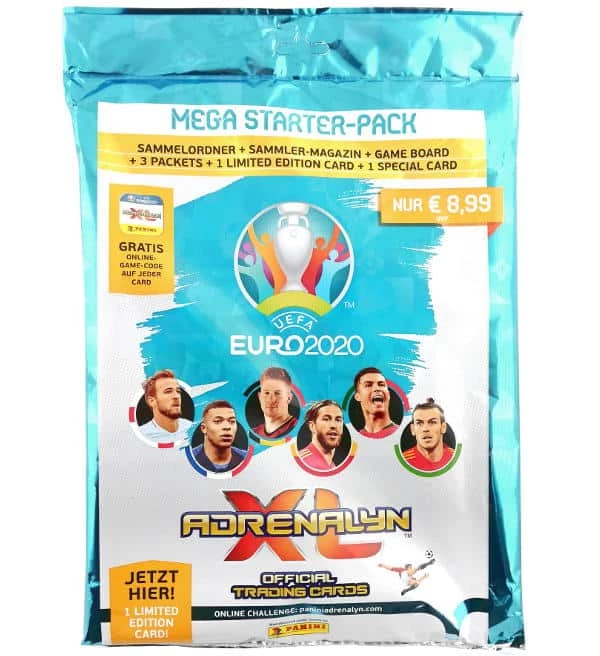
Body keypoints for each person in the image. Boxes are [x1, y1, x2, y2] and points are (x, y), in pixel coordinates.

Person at [139, 369, 193, 443]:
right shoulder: (144, 434)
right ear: (152, 401)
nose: (176, 396)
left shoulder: (190, 427)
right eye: (168, 391)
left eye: (178, 391)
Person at [192, 401, 247, 473]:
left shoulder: (245, 457)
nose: (227, 427)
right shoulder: (191, 458)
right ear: (204, 428)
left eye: (232, 421)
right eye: (218, 421)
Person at [402, 398, 455, 471]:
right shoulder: (404, 460)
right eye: (419, 423)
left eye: (432, 422)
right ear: (413, 429)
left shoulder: (454, 457)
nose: (425, 429)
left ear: (443, 427)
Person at [298, 400, 344, 471]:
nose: (333, 425)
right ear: (312, 426)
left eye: (338, 420)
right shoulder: (304, 461)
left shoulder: (332, 465)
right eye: (326, 419)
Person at [253, 367, 298, 439]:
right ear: (259, 397)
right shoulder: (253, 433)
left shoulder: (298, 430)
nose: (271, 400)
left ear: (289, 398)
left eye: (277, 393)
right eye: (266, 393)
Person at [353, 367, 398, 437]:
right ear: (358, 396)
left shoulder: (399, 433)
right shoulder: (355, 438)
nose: (377, 388)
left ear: (388, 394)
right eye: (368, 385)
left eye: (381, 384)